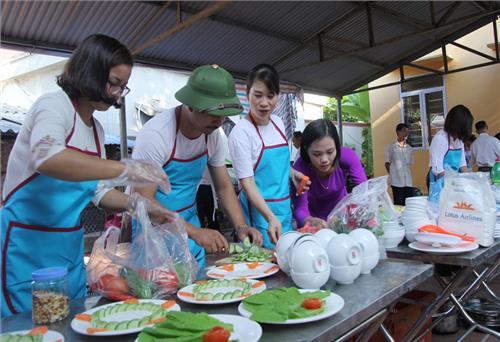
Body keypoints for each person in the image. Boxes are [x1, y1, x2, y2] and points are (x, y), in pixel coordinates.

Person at [0, 34, 173, 316]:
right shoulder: (53, 106)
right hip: (27, 247)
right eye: (114, 83)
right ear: (90, 72)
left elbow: (97, 190)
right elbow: (48, 157)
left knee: (71, 321)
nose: (118, 93)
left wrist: (138, 204)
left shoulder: (96, 130)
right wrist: (126, 168)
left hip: (68, 246)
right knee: (32, 326)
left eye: (123, 86)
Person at [132, 64, 263, 270]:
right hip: (153, 233)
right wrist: (194, 232)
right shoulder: (156, 135)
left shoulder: (213, 136)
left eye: (223, 113)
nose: (218, 120)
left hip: (188, 226)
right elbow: (144, 201)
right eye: (212, 112)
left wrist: (241, 226)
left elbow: (223, 187)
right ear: (190, 104)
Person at [228, 64, 309, 248]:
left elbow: (279, 164)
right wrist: (270, 217)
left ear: (278, 96)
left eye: (270, 96)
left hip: (283, 212)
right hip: (259, 216)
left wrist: (293, 174)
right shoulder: (241, 133)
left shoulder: (279, 123)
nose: (264, 103)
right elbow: (247, 185)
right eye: (258, 95)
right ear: (247, 94)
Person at [293, 119, 367, 228]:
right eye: (317, 154)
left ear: (337, 147)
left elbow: (365, 190)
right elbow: (300, 209)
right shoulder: (300, 169)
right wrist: (308, 220)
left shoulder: (347, 156)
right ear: (306, 150)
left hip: (344, 219)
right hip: (315, 224)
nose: (324, 159)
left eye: (330, 152)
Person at [428, 104, 473, 205]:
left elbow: (462, 164)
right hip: (439, 184)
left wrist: (470, 182)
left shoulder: (459, 140)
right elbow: (437, 169)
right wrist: (456, 182)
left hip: (453, 183)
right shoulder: (440, 139)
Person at [384, 123, 414, 205]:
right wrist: (393, 175)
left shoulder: (409, 148)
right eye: (404, 131)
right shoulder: (390, 147)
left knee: (409, 204)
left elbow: (409, 164)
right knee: (399, 205)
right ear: (398, 132)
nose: (406, 134)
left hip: (408, 181)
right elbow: (387, 163)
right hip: (397, 182)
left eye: (407, 132)